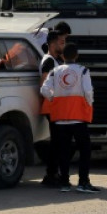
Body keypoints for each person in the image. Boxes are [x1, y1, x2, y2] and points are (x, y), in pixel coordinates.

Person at [39, 43, 100, 193]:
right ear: (76, 56)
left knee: (64, 150)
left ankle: (64, 182)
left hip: (60, 118)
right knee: (85, 149)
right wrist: (89, 104)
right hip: (78, 117)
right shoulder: (83, 71)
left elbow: (44, 90)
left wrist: (54, 100)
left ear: (63, 56)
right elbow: (88, 91)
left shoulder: (55, 71)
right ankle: (83, 182)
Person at [37, 29, 66, 187]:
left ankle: (53, 173)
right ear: (53, 44)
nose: (64, 45)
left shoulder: (57, 60)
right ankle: (51, 174)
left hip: (55, 106)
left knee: (57, 141)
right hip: (52, 106)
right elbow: (43, 85)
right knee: (57, 141)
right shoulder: (48, 61)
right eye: (62, 42)